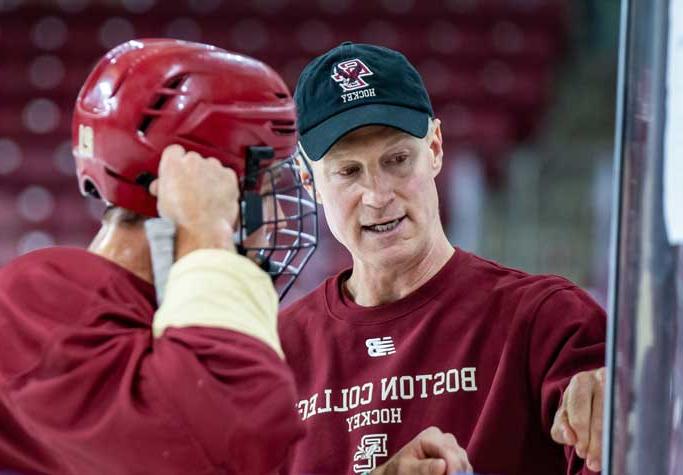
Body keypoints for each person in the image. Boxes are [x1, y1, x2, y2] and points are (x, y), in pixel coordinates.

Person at [279, 41, 606, 475]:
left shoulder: (548, 323)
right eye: (348, 171)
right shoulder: (276, 355)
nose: (378, 196)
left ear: (434, 148)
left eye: (397, 160)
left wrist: (620, 411)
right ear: (308, 180)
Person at [0, 39, 318, 474]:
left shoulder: (158, 323)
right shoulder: (35, 298)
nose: (280, 215)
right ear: (202, 188)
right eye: (265, 192)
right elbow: (231, 442)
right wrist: (205, 232)